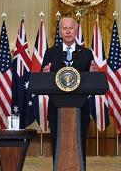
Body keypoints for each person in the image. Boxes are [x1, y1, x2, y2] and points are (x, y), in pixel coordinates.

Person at [41, 17, 97, 169]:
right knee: (57, 140)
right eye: (64, 28)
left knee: (80, 141)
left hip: (81, 109)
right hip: (56, 108)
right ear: (59, 32)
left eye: (70, 28)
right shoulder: (50, 53)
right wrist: (45, 73)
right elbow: (43, 78)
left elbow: (91, 81)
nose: (67, 31)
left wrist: (92, 73)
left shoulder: (86, 53)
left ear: (76, 30)